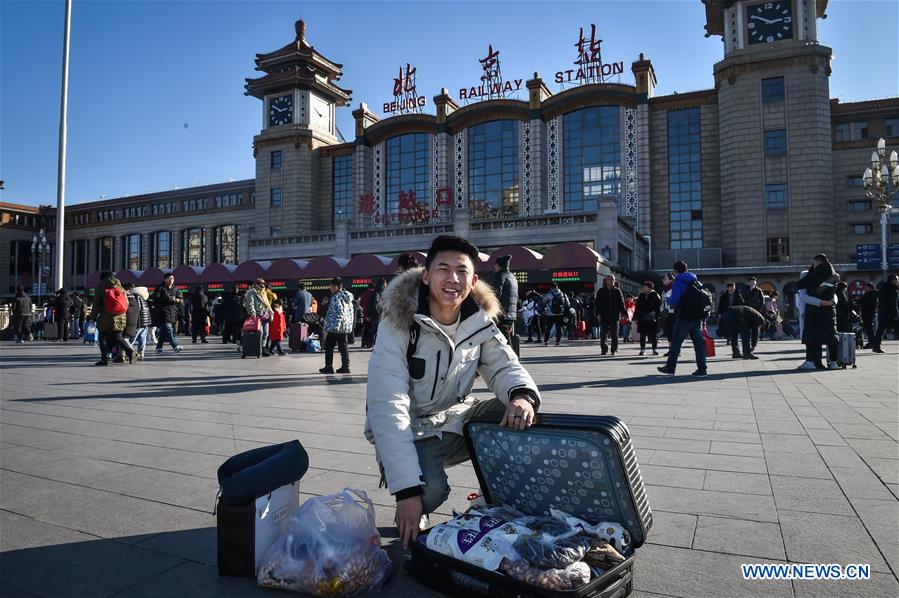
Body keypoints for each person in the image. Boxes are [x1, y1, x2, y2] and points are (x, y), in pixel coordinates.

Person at [364, 235, 541, 548]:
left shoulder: (478, 320)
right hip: (412, 428)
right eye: (443, 269)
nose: (452, 279)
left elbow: (503, 366)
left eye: (461, 271)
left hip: (455, 418)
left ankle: (497, 500)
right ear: (426, 275)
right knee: (428, 492)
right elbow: (388, 405)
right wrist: (406, 491)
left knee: (519, 412)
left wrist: (521, 397)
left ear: (473, 281)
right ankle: (415, 492)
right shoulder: (399, 322)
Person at [658, 261, 708, 377]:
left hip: (684, 316)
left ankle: (670, 368)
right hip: (697, 316)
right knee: (698, 344)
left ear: (675, 271)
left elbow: (674, 301)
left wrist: (668, 299)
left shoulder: (678, 281)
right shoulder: (695, 280)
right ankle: (702, 369)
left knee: (676, 343)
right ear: (687, 269)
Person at [796, 255, 839, 370]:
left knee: (813, 338)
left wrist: (820, 302)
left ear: (818, 262)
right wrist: (831, 302)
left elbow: (801, 289)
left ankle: (811, 362)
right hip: (829, 311)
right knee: (831, 337)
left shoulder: (811, 275)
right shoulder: (833, 276)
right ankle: (833, 362)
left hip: (814, 311)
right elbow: (835, 293)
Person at [91, 272, 134, 366]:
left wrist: (92, 318)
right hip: (121, 317)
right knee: (117, 337)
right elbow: (126, 303)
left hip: (106, 317)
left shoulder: (101, 287)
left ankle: (105, 359)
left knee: (102, 338)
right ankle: (130, 352)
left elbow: (96, 304)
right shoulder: (121, 288)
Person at [320, 278, 354, 374]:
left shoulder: (336, 297)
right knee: (343, 346)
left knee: (329, 345)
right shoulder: (347, 297)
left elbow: (339, 312)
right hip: (345, 326)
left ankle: (329, 366)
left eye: (331, 286)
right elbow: (350, 312)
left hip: (335, 326)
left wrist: (336, 326)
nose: (330, 288)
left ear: (336, 287)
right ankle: (345, 366)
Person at [151, 273, 184, 354]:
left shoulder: (175, 288)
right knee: (169, 329)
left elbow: (181, 298)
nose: (171, 280)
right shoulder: (160, 288)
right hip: (162, 312)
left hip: (172, 312)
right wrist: (168, 299)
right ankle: (175, 346)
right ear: (165, 279)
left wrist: (179, 300)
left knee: (163, 331)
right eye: (170, 278)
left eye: (172, 278)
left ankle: (159, 348)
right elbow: (155, 298)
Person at [595, 275, 627, 355]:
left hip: (614, 316)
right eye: (610, 279)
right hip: (604, 316)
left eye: (613, 279)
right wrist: (598, 313)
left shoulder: (617, 291)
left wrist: (624, 313)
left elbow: (621, 303)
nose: (612, 281)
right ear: (606, 281)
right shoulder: (601, 291)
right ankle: (604, 349)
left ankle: (614, 350)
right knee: (603, 334)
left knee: (614, 334)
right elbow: (597, 304)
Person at [244, 278, 272, 356]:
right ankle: (258, 349)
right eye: (260, 284)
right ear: (256, 284)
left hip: (265, 315)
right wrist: (252, 312)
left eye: (263, 284)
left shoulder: (264, 292)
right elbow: (250, 303)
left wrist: (271, 312)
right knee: (260, 333)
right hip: (257, 315)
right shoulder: (251, 292)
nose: (262, 286)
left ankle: (263, 349)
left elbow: (267, 304)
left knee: (266, 333)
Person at [871, 274, 899, 354]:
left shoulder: (882, 288)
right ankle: (876, 347)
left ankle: (876, 347)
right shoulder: (893, 289)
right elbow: (893, 304)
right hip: (891, 314)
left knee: (880, 331)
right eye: (897, 280)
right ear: (893, 280)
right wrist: (896, 315)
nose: (897, 281)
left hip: (882, 313)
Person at [493, 255, 518, 338]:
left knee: (503, 339)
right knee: (506, 336)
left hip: (502, 314)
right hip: (511, 313)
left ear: (499, 265)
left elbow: (496, 294)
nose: (494, 266)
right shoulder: (513, 277)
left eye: (495, 264)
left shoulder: (500, 276)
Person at [634, 281, 661, 356]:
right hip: (642, 317)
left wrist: (655, 311)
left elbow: (659, 305)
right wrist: (635, 318)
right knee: (642, 334)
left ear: (650, 288)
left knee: (653, 334)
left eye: (645, 287)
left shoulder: (655, 295)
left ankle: (654, 350)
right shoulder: (641, 295)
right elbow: (637, 307)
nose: (643, 288)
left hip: (652, 318)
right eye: (643, 287)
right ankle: (642, 350)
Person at [717, 283, 745, 354]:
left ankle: (733, 341)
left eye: (734, 287)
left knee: (735, 328)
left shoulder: (738, 295)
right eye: (731, 287)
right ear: (728, 288)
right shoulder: (724, 296)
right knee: (727, 327)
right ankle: (728, 339)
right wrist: (719, 313)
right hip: (726, 313)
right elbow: (720, 305)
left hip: (735, 313)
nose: (733, 289)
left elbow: (742, 304)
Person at [543, 282, 569, 346]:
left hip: (550, 314)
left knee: (548, 328)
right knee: (559, 328)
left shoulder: (549, 294)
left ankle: (546, 341)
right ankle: (558, 342)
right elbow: (568, 304)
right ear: (557, 286)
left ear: (551, 288)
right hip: (560, 313)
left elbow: (543, 301)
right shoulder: (563, 294)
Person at [130, 286, 152, 360]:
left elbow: (137, 309)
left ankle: (128, 352)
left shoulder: (136, 297)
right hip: (145, 321)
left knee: (132, 338)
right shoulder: (143, 298)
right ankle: (141, 353)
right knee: (142, 338)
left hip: (138, 321)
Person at [745, 277, 766, 351]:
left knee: (756, 329)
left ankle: (753, 345)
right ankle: (746, 345)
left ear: (756, 283)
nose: (752, 284)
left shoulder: (758, 290)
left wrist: (760, 310)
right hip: (747, 312)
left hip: (756, 312)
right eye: (751, 282)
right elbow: (743, 300)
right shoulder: (745, 290)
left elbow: (762, 301)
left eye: (754, 282)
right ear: (748, 283)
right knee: (746, 329)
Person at [368, 278, 386, 347]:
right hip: (381, 313)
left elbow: (370, 304)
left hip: (375, 314)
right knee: (381, 330)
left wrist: (369, 314)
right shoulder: (384, 291)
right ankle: (378, 344)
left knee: (374, 330)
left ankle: (373, 344)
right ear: (383, 283)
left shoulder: (374, 291)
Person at [859, 282, 878, 348]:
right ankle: (872, 342)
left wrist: (861, 301)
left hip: (869, 314)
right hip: (866, 314)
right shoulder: (867, 294)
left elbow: (870, 304)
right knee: (868, 329)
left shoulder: (873, 294)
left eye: (866, 288)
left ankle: (872, 343)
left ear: (870, 288)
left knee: (870, 329)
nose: (865, 289)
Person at [357, 283, 375, 348]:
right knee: (372, 330)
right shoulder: (374, 293)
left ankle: (363, 343)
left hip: (365, 314)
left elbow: (360, 303)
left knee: (366, 329)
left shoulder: (364, 294)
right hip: (372, 315)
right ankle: (370, 343)